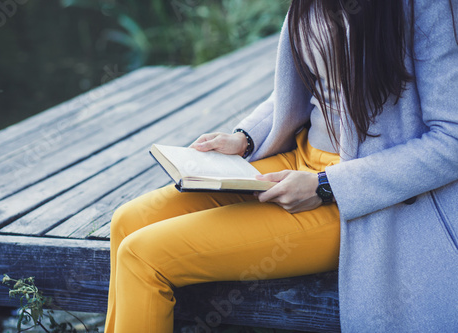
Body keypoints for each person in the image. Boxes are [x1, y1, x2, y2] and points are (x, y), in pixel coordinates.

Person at [104, 0, 458, 331]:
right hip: (298, 160)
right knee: (127, 220)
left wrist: (326, 185)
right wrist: (244, 138)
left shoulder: (426, 7)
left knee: (143, 255)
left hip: (361, 194)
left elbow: (452, 141)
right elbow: (300, 86)